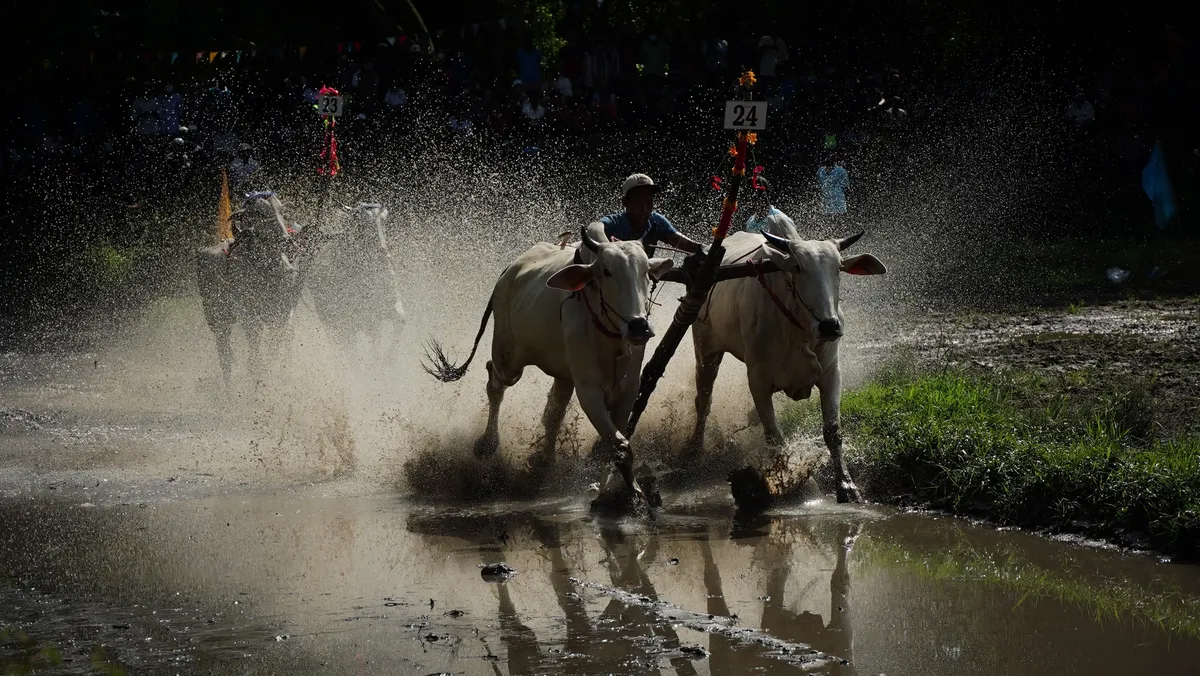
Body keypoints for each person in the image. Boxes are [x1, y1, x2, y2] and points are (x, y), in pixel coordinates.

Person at [599, 173, 706, 256]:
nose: (644, 208)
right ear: (625, 202)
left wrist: (707, 250)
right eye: (638, 201)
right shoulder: (613, 223)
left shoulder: (657, 221)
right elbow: (595, 228)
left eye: (649, 201)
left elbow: (687, 244)